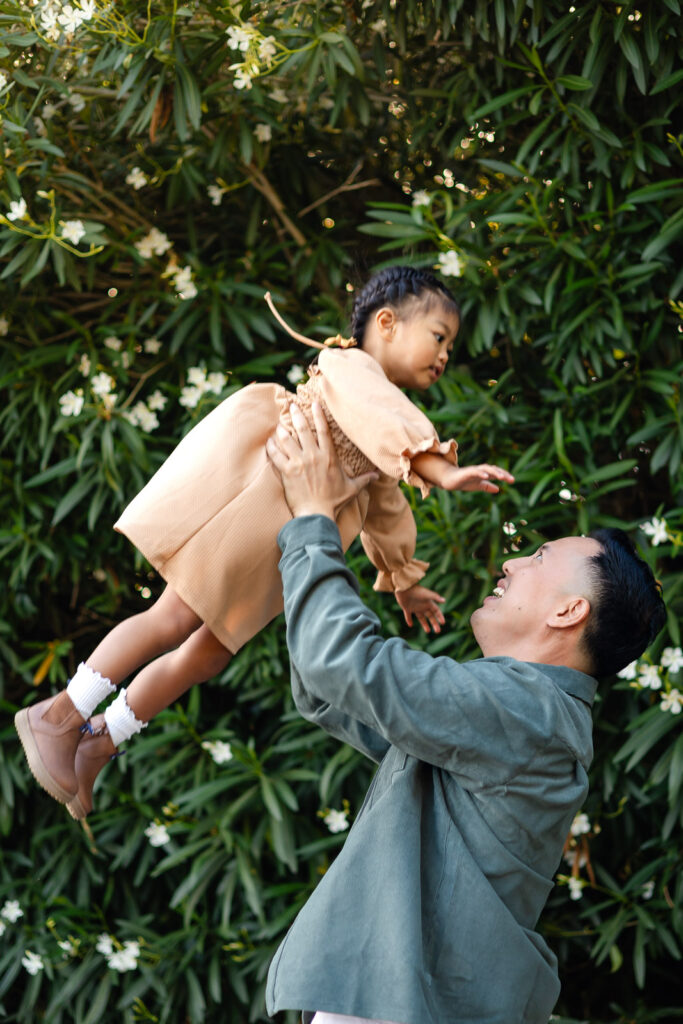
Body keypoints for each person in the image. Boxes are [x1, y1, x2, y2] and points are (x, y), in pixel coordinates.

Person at [15, 265, 513, 820]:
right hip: (257, 505)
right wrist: (441, 470)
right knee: (171, 619)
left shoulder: (384, 431)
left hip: (278, 542)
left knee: (206, 654)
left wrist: (404, 581)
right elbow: (385, 418)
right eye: (439, 337)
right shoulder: (351, 367)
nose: (444, 355)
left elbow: (385, 508)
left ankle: (96, 744)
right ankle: (60, 714)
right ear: (388, 323)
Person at [263, 402, 666, 1024]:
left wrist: (315, 520)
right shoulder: (522, 713)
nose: (511, 563)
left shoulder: (527, 713)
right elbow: (326, 689)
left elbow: (337, 664)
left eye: (538, 558)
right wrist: (337, 523)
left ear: (569, 612)